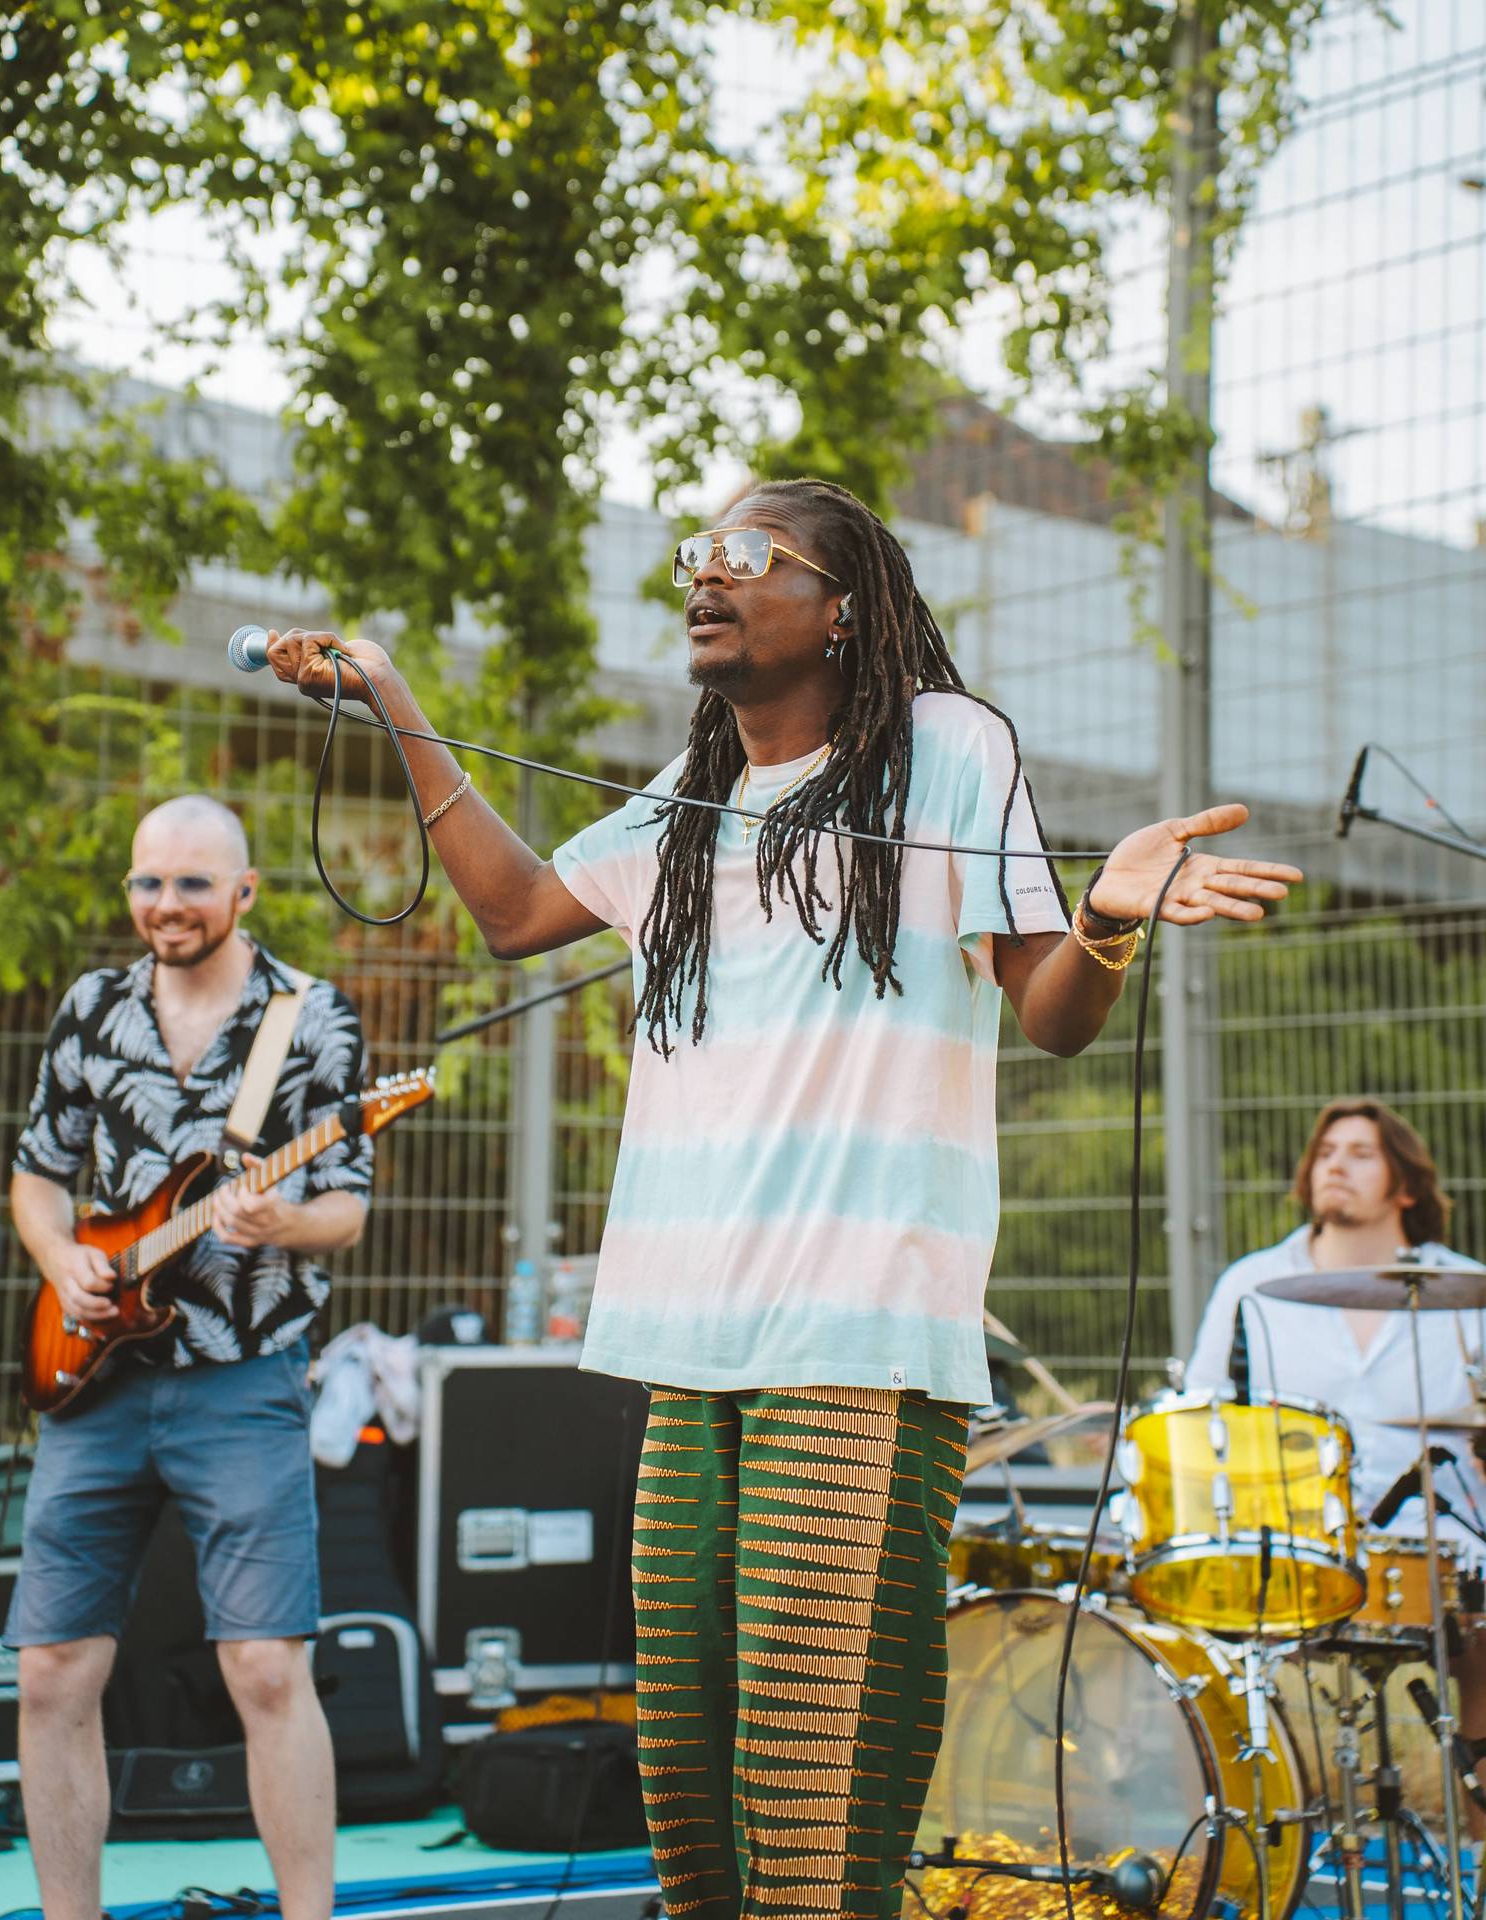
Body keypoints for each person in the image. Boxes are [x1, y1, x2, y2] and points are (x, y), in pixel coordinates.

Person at [265, 477, 1299, 1919]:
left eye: (753, 556)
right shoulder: (694, 798)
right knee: (690, 1792)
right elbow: (512, 917)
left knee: (814, 1786)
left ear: (844, 606)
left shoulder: (947, 748)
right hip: (688, 1344)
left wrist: (1108, 915)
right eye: (699, 555)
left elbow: (1051, 1010)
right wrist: (393, 700)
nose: (708, 575)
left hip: (860, 1334)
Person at [5, 795, 373, 1920]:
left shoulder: (310, 1020)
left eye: (193, 884)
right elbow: (37, 1175)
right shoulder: (90, 1007)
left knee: (267, 1670)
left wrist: (280, 1223)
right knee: (52, 1671)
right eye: (148, 884)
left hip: (245, 1376)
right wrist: (63, 1259)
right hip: (94, 1380)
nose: (166, 906)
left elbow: (346, 1210)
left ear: (245, 891)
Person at [1186, 1098, 1486, 1816]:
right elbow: (1199, 1419)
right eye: (1325, 1153)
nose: (1335, 1165)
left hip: (1438, 1549)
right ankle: (1239, 1831)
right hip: (1293, 1541)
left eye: (1359, 1153)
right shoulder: (1252, 1285)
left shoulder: (1468, 1290)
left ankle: (1478, 1833)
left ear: (1405, 1185)